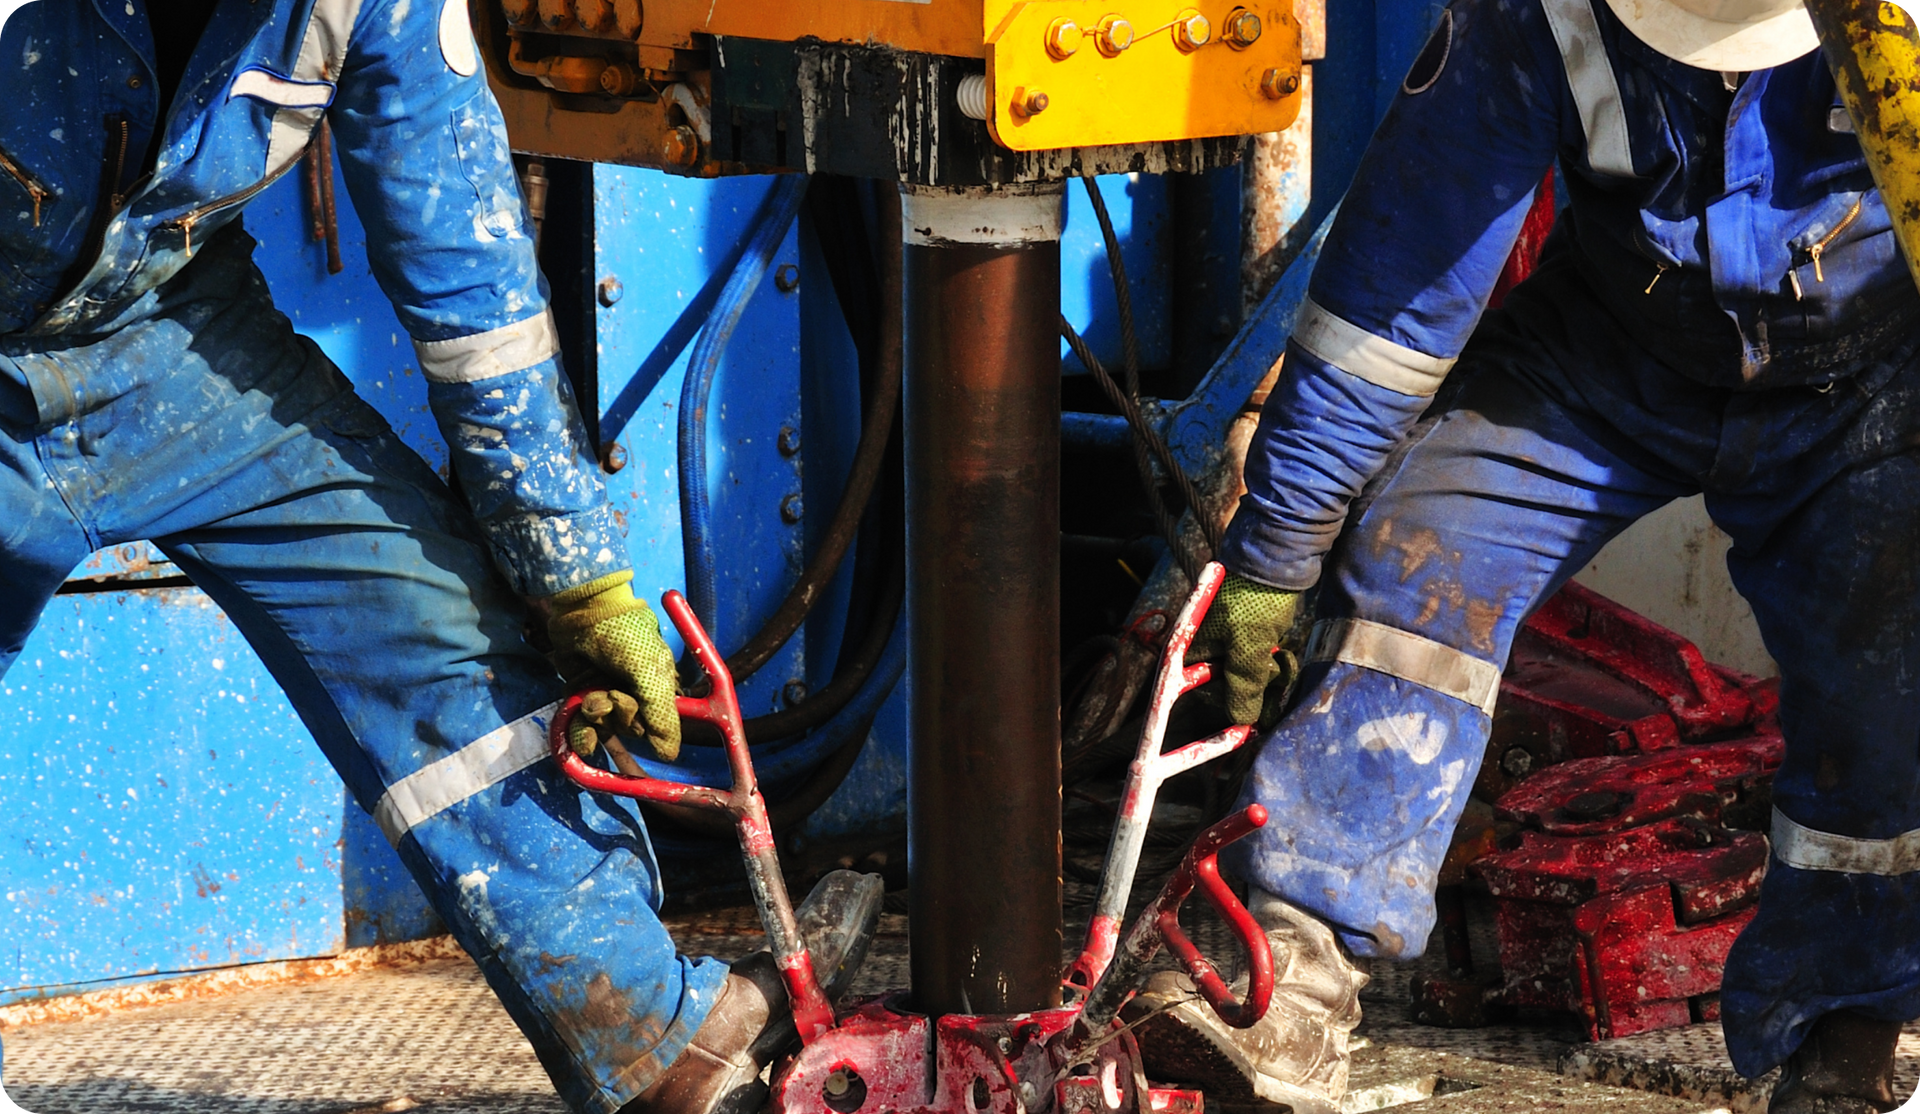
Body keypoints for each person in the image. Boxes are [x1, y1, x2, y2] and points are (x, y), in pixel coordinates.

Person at [0, 3, 870, 1112]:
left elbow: (472, 282)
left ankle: (659, 1048)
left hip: (167, 339)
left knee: (437, 635)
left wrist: (575, 575)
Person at [1136, 1, 1920, 1112]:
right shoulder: (1536, 13)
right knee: (1420, 556)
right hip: (1609, 356)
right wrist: (1278, 551)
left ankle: (1847, 1037)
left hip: (1870, 386)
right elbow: (1389, 301)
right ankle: (1292, 971)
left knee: (1885, 693)